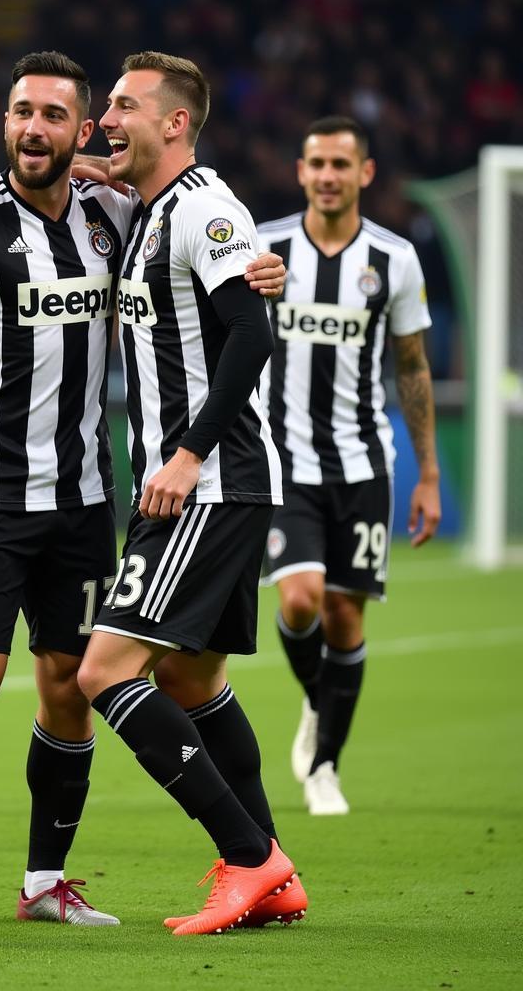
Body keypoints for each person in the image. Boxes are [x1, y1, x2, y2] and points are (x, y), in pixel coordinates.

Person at [0, 50, 287, 926]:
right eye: (21, 112)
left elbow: (197, 216)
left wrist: (259, 270)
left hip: (89, 497)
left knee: (72, 684)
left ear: (81, 128)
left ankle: (43, 884)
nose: (33, 128)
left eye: (54, 115)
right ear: (5, 121)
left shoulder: (118, 208)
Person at [74, 51, 304, 936]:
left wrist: (185, 453)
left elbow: (252, 334)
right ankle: (275, 875)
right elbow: (94, 166)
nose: (107, 119)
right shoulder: (152, 208)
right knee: (194, 678)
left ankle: (249, 858)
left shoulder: (203, 206)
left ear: (176, 122)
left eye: (126, 105)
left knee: (105, 671)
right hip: (213, 486)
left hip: (205, 485)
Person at [257, 115, 440, 815]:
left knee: (345, 617)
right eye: (316, 164)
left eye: (341, 164)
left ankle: (324, 762)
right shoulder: (268, 249)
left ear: (364, 173)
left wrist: (426, 475)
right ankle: (319, 705)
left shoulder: (393, 260)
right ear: (300, 172)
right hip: (284, 462)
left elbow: (413, 366)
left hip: (364, 463)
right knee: (300, 599)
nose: (328, 175)